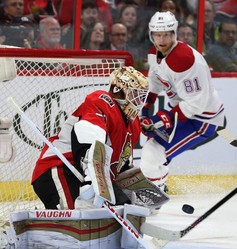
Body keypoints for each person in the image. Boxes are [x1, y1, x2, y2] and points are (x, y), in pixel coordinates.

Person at [31, 66, 150, 210]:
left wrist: (133, 189)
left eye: (142, 96)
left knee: (122, 208)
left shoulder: (133, 123)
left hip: (88, 175)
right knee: (77, 217)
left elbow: (121, 163)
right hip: (61, 168)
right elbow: (89, 135)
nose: (140, 100)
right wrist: (90, 181)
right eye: (135, 94)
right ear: (119, 90)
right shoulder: (102, 100)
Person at [139, 11, 225, 194]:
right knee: (152, 147)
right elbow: (154, 81)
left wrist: (163, 117)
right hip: (183, 111)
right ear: (151, 34)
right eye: (157, 34)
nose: (162, 40)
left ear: (174, 34)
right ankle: (158, 183)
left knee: (153, 152)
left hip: (203, 120)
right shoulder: (154, 53)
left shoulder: (184, 59)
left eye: (166, 34)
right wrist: (146, 110)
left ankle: (155, 195)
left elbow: (196, 104)